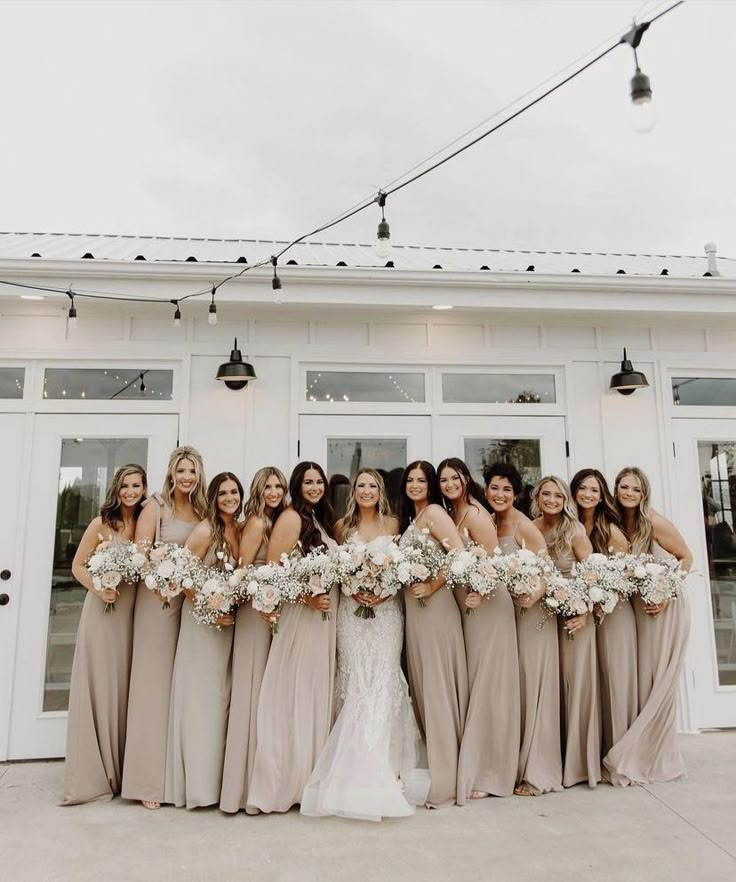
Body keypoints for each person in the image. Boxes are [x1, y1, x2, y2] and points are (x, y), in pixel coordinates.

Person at [302, 470, 429, 821]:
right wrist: (352, 588)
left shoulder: (394, 526)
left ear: (381, 491)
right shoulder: (342, 528)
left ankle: (386, 765)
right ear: (353, 492)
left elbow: (403, 571)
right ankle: (353, 766)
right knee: (356, 682)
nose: (367, 491)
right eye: (361, 486)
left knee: (384, 680)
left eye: (373, 485)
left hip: (387, 614)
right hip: (352, 615)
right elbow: (338, 571)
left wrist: (385, 590)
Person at [248, 462, 338, 813]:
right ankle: (282, 782)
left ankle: (307, 778)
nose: (314, 487)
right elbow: (272, 569)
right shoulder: (291, 518)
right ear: (297, 486)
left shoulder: (318, 520)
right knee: (293, 693)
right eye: (308, 482)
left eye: (319, 481)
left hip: (323, 621)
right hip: (302, 617)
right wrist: (308, 597)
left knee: (313, 694)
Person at [122, 446, 207, 810]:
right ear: (171, 473)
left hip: (188, 605)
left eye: (193, 471)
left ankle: (177, 777)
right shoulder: (155, 507)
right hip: (157, 602)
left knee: (180, 687)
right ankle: (146, 781)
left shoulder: (202, 510)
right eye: (181, 470)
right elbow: (140, 557)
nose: (187, 477)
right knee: (152, 688)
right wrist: (165, 576)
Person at [62, 465, 147, 805]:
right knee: (101, 685)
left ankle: (122, 769)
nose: (130, 491)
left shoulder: (142, 523)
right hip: (102, 613)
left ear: (143, 488)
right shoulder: (102, 523)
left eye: (136, 485)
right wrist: (99, 588)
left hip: (129, 615)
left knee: (123, 686)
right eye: (125, 485)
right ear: (116, 489)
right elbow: (78, 566)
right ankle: (94, 772)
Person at [604, 467, 692, 786]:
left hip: (664, 608)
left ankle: (657, 756)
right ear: (616, 490)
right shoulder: (615, 523)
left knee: (658, 679)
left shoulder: (652, 521)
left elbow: (686, 557)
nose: (629, 493)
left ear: (644, 494)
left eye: (635, 489)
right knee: (644, 681)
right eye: (624, 487)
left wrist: (666, 595)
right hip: (639, 610)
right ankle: (642, 748)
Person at [438, 458, 519, 801]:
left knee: (491, 685)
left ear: (466, 479)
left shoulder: (475, 514)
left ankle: (491, 772)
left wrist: (480, 591)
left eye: (454, 478)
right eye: (443, 479)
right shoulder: (452, 513)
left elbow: (493, 560)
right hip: (468, 607)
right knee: (477, 685)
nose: (449, 484)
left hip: (488, 605)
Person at [165, 472, 243, 809]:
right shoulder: (206, 530)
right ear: (213, 497)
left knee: (221, 698)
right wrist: (210, 608)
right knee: (201, 700)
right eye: (223, 492)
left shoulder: (238, 530)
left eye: (234, 492)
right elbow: (181, 575)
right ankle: (198, 786)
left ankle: (216, 781)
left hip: (228, 623)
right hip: (201, 623)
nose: (229, 497)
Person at [485, 463, 561, 796]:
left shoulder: (525, 526)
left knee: (533, 690)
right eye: (494, 488)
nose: (499, 495)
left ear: (515, 494)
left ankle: (536, 771)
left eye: (506, 489)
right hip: (502, 618)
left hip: (531, 615)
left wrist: (534, 596)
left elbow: (547, 568)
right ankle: (508, 764)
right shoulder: (487, 521)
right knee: (510, 691)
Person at [399, 460, 468, 808]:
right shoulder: (414, 518)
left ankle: (448, 774)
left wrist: (433, 584)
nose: (414, 485)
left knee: (438, 686)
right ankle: (439, 764)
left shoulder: (435, 513)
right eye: (410, 480)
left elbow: (459, 554)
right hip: (416, 613)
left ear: (431, 485)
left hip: (435, 608)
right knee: (426, 686)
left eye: (421, 480)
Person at [220, 467, 287, 815]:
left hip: (271, 614)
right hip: (253, 615)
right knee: (250, 694)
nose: (274, 492)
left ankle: (262, 783)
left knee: (265, 696)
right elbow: (241, 572)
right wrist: (263, 599)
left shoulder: (279, 522)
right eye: (268, 487)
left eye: (279, 486)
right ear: (259, 490)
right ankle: (241, 789)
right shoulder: (258, 523)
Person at [533, 475, 599, 789]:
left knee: (575, 687)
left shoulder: (574, 530)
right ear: (537, 496)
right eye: (546, 494)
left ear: (565, 501)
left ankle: (578, 766)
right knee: (551, 688)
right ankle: (552, 760)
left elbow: (592, 574)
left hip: (575, 617)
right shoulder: (531, 527)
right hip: (544, 618)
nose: (552, 501)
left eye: (558, 496)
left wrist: (585, 609)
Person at [571, 469, 635, 759]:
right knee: (588, 683)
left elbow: (626, 575)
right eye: (582, 488)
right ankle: (591, 752)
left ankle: (619, 754)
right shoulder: (569, 526)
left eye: (594, 490)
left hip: (613, 613)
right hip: (583, 614)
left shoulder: (610, 529)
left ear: (602, 496)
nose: (587, 494)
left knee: (614, 680)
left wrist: (601, 600)